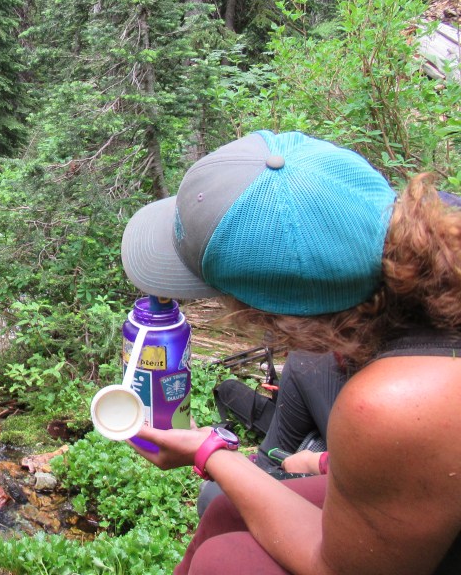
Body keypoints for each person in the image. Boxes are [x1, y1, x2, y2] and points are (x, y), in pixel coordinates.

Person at [119, 130, 461, 574]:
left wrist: (208, 453)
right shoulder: (435, 228)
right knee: (225, 512)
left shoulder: (394, 403)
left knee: (224, 562)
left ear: (275, 315)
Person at [199, 349, 346, 516]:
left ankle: (266, 472)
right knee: (303, 358)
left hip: (351, 484)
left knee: (216, 500)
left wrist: (314, 462)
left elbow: (363, 474)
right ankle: (266, 466)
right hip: (342, 447)